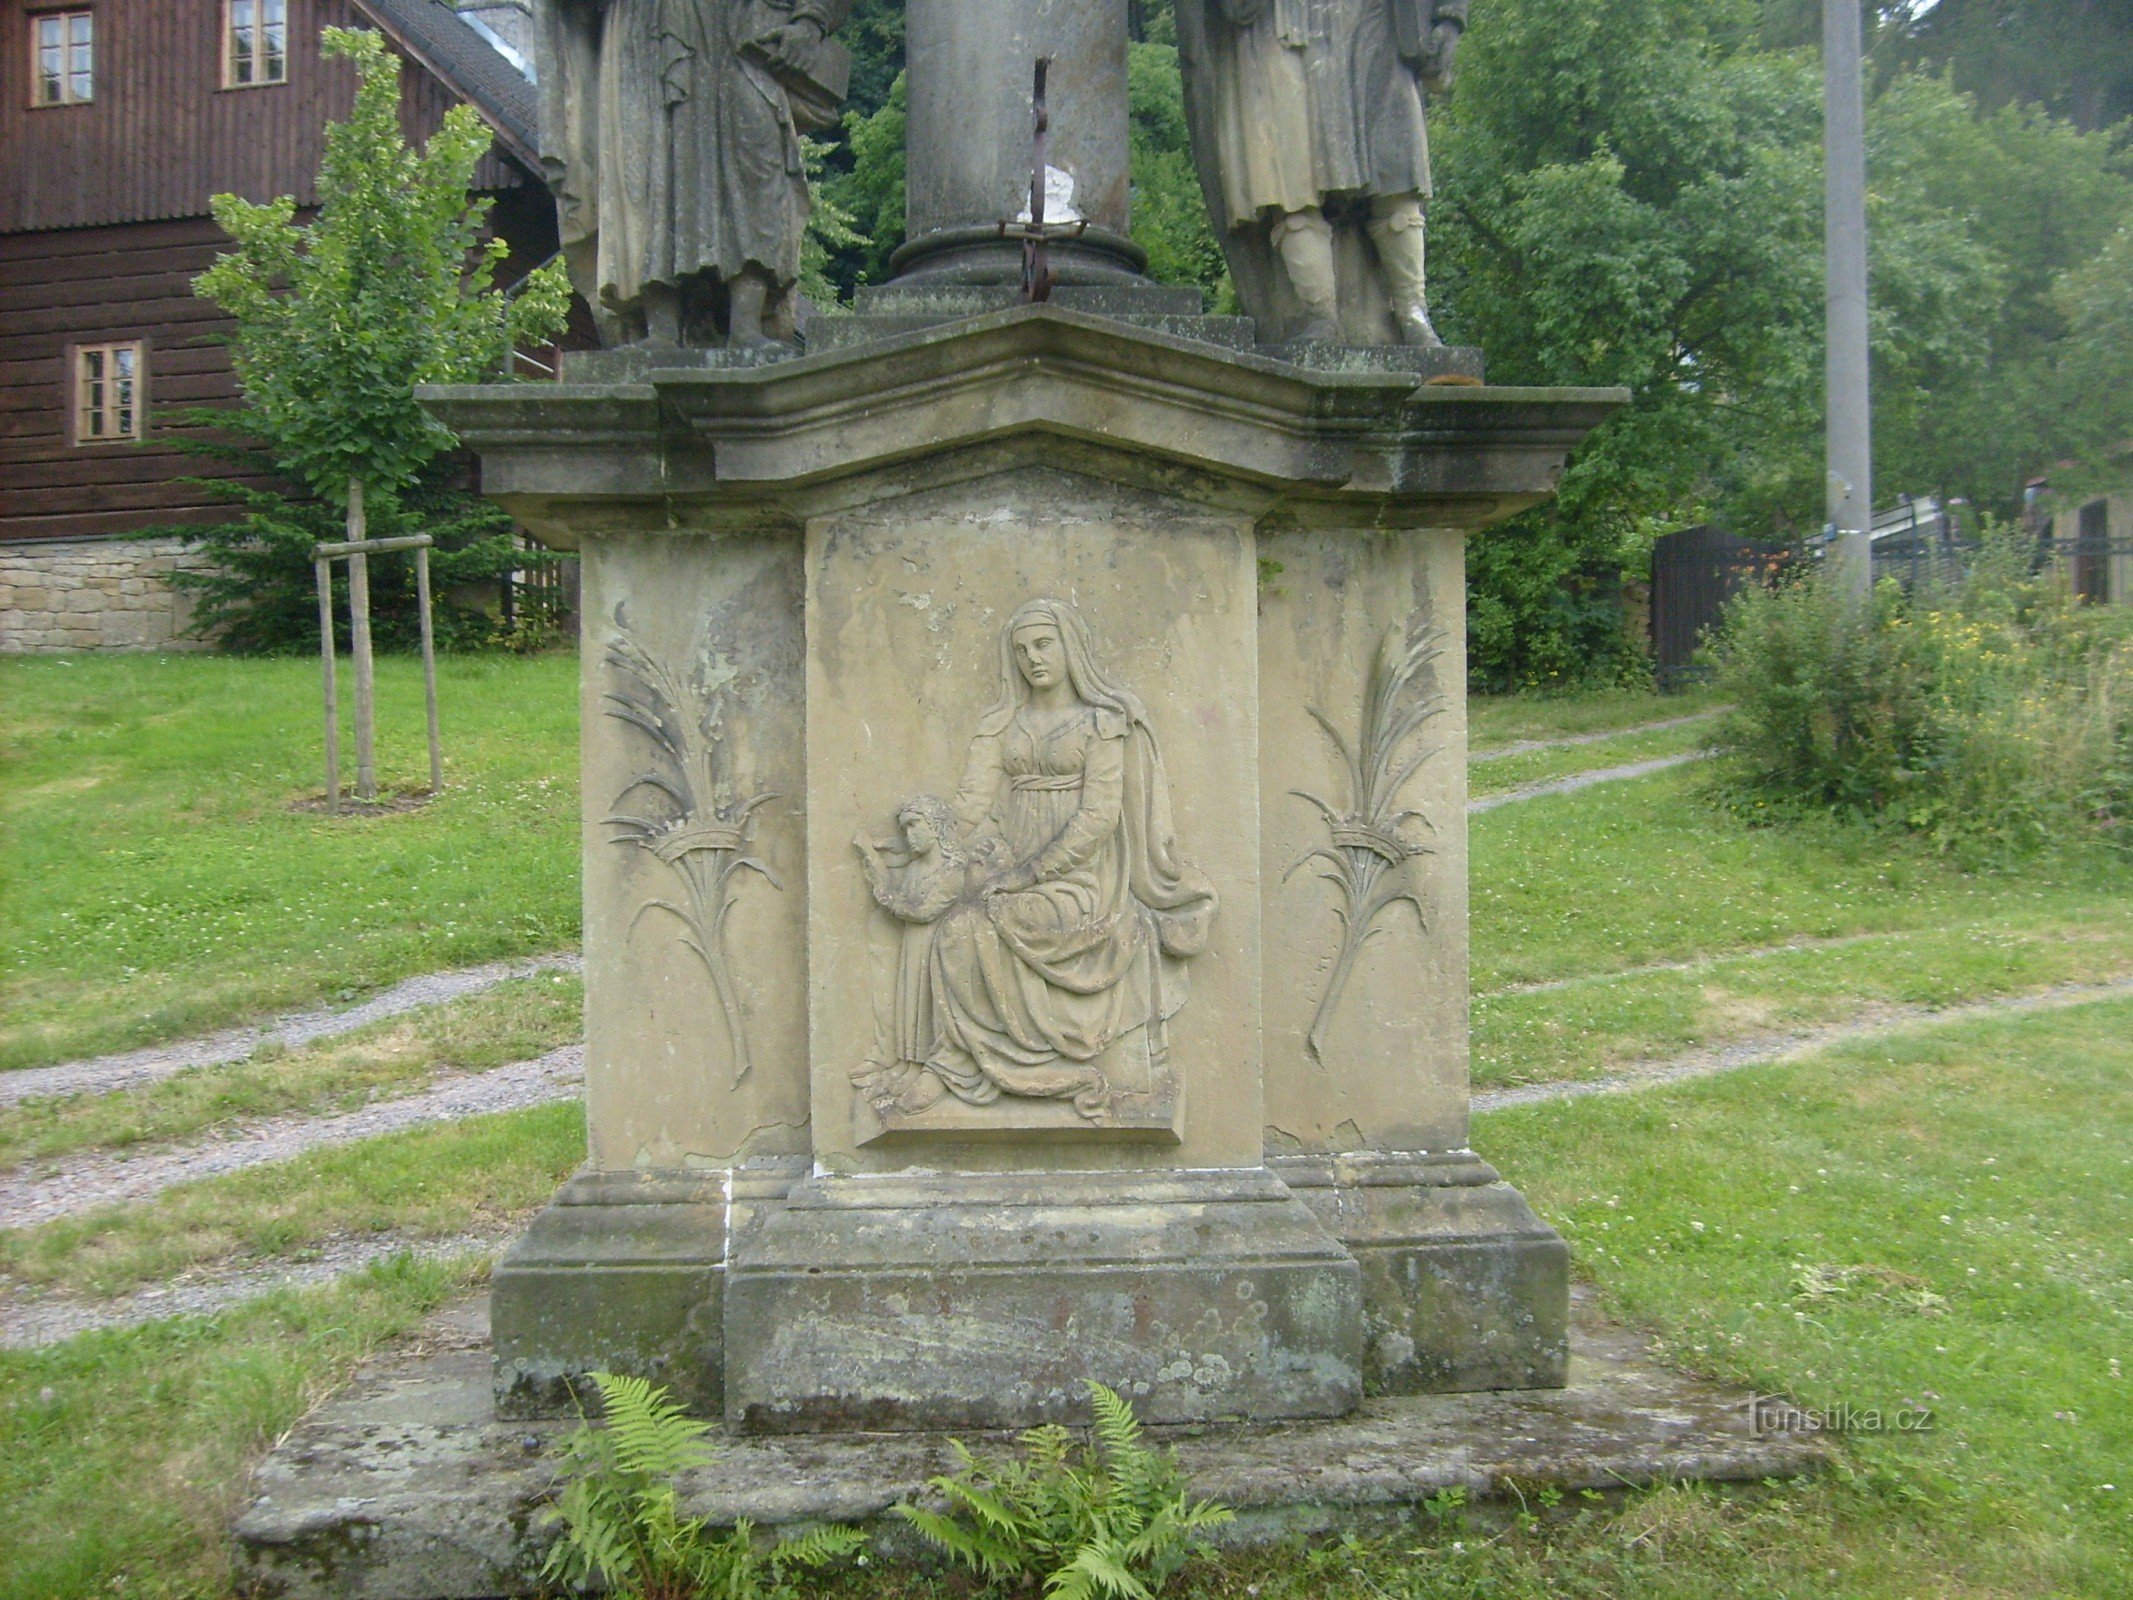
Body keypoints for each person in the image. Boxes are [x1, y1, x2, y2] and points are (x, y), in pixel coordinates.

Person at [863, 599, 1217, 1121]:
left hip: (1082, 881)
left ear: (1071, 647)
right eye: (1022, 650)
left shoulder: (1103, 724)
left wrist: (1027, 873)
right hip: (1009, 869)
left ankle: (1015, 1067)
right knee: (953, 927)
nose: (1033, 658)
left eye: (1044, 644)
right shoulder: (1002, 725)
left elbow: (1097, 819)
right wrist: (925, 837)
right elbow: (973, 808)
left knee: (989, 921)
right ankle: (952, 1063)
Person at [535, 0, 850, 347]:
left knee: (755, 172)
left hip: (745, 28)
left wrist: (811, 21)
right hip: (644, 25)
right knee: (647, 174)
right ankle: (661, 329)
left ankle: (746, 325)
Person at [1175, 0, 1467, 346]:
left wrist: (1450, 16)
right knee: (1288, 180)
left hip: (1374, 17)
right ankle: (1319, 316)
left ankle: (1413, 312)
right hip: (1277, 18)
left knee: (1394, 172)